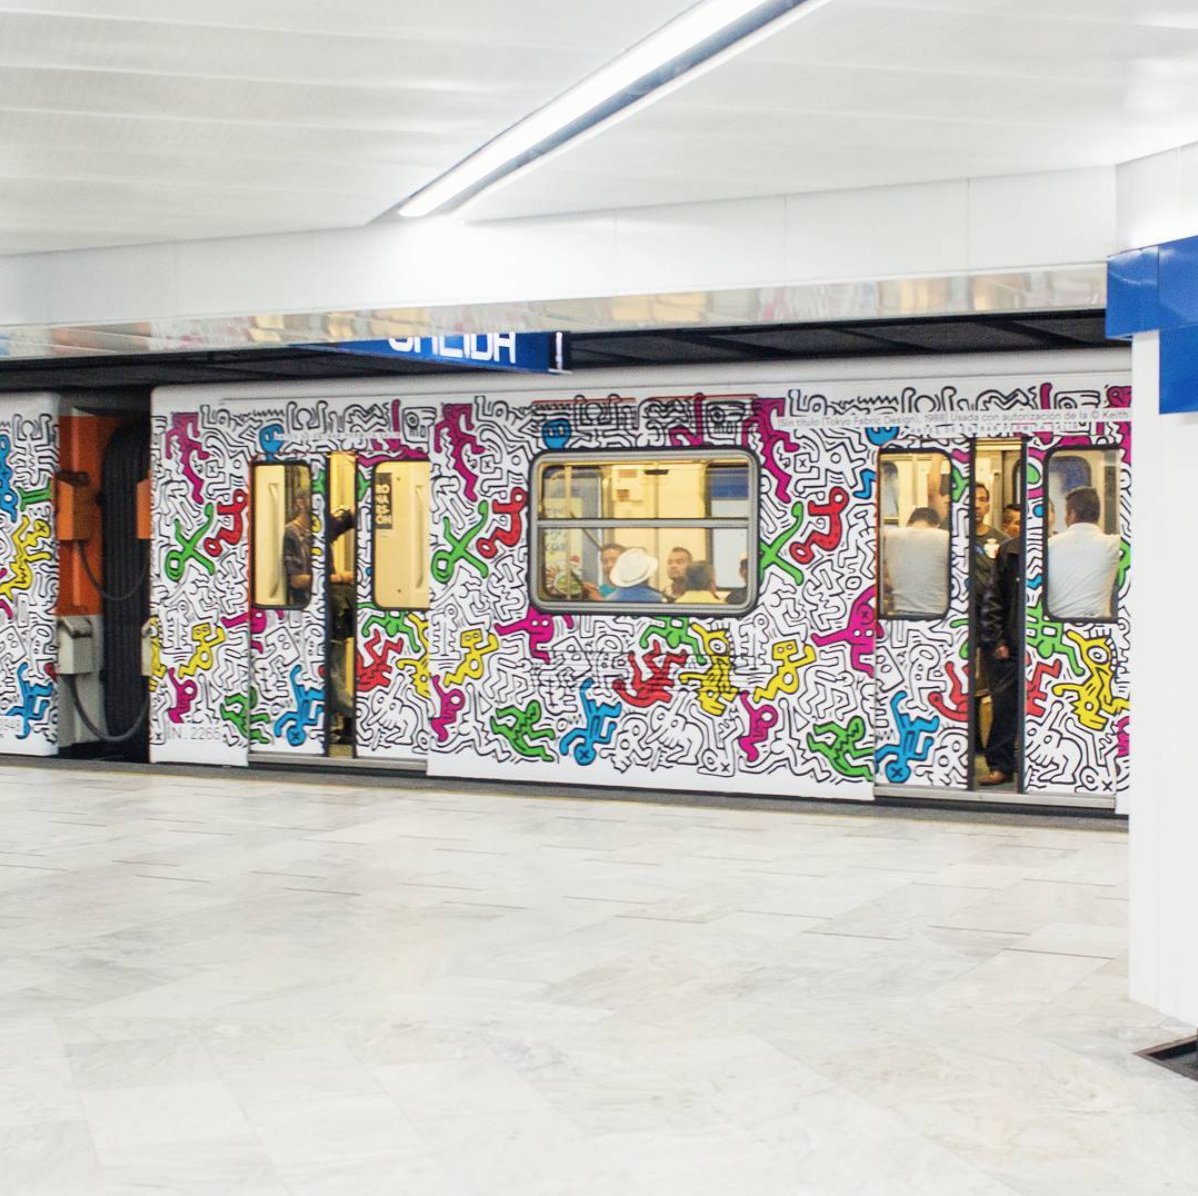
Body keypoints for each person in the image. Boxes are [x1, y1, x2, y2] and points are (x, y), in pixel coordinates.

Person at [978, 513, 1022, 786]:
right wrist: (998, 641)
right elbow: (993, 600)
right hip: (1012, 642)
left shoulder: (1056, 547)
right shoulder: (1010, 551)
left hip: (1046, 642)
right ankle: (1001, 764)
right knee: (1005, 707)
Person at [1047, 486, 1120, 619]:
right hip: (1099, 629)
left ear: (1072, 514)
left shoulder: (1049, 546)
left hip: (1055, 629)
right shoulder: (1113, 545)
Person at [882, 507, 949, 616]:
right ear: (937, 525)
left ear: (909, 522)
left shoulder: (891, 535)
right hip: (939, 612)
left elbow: (882, 574)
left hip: (901, 612)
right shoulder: (945, 537)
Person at [281, 487, 313, 606]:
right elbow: (296, 580)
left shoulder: (320, 532)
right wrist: (339, 578)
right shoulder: (291, 533)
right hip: (303, 605)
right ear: (301, 503)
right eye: (313, 499)